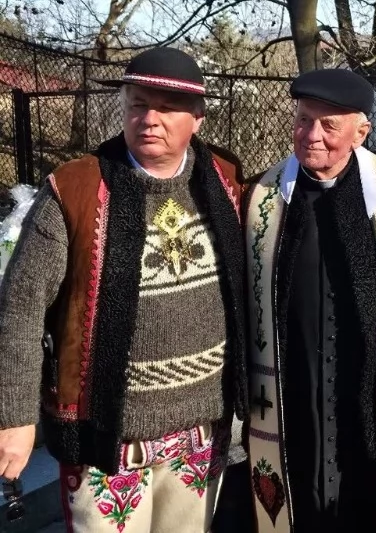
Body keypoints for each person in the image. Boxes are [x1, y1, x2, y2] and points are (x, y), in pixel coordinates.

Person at [0, 47, 246, 531]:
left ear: (197, 118)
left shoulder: (225, 180)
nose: (150, 119)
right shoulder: (74, 189)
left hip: (200, 430)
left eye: (167, 108)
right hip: (105, 436)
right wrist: (14, 417)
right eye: (138, 104)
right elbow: (19, 310)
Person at [243, 69, 376, 532]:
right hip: (292, 401)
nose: (311, 135)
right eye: (303, 120)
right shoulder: (263, 198)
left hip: (374, 404)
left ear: (361, 132)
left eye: (328, 125)